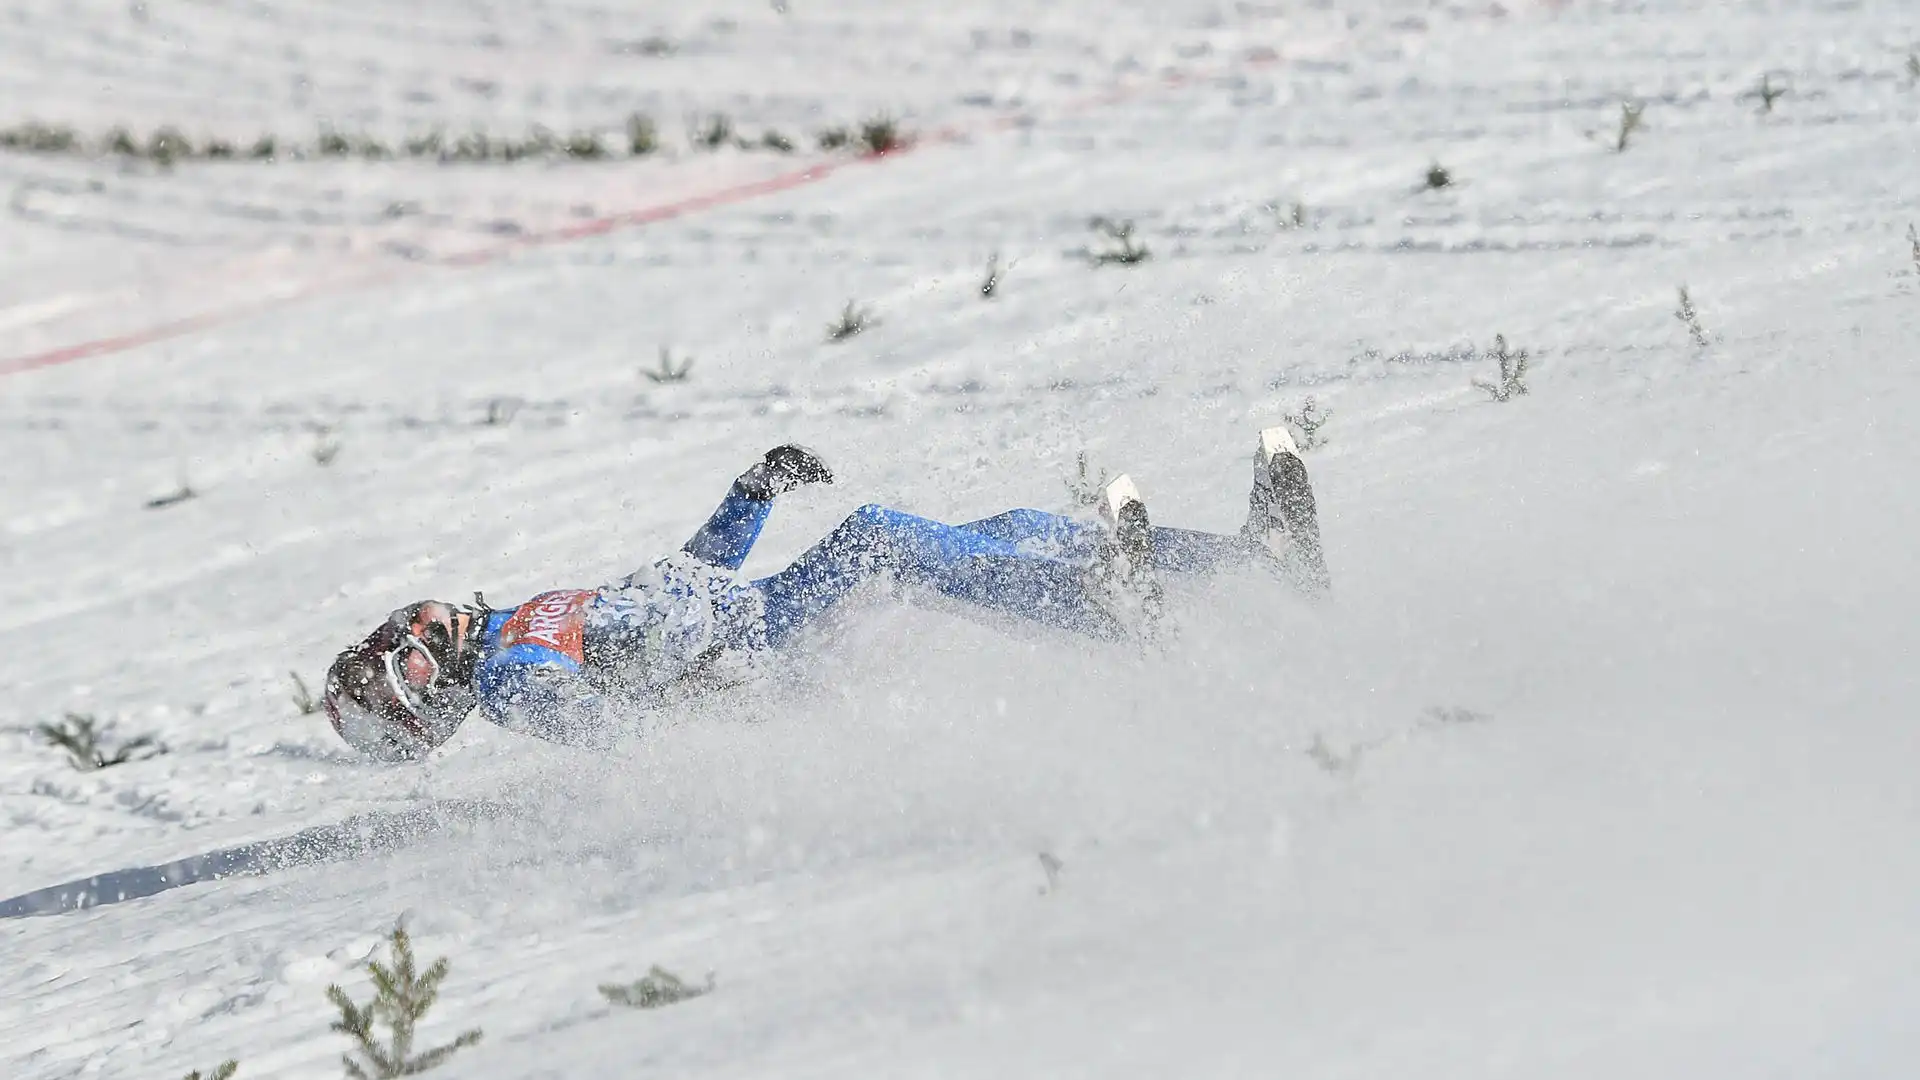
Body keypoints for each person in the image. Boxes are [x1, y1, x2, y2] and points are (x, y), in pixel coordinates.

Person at [322, 428, 1328, 761]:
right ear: (427, 693)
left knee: (1007, 532)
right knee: (880, 541)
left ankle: (1253, 559)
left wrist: (748, 495)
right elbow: (615, 734)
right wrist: (668, 699)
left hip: (757, 608)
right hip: (766, 655)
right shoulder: (508, 675)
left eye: (391, 625)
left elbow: (682, 581)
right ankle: (1098, 611)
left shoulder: (523, 617)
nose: (410, 622)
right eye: (401, 651)